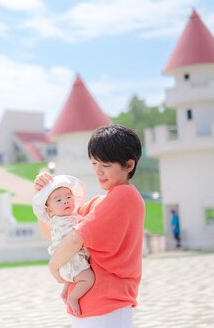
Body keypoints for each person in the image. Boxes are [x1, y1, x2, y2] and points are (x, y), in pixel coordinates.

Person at [34, 124, 145, 328]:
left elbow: (75, 239)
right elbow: (51, 231)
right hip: (91, 304)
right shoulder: (99, 203)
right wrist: (44, 197)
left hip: (107, 303)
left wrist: (53, 266)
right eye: (94, 163)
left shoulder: (124, 195)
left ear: (129, 165)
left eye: (105, 165)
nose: (98, 172)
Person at [32, 175, 96, 316]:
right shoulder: (62, 222)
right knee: (87, 278)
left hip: (67, 262)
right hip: (71, 261)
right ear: (49, 210)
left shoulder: (65, 217)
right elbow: (76, 237)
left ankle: (65, 291)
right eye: (59, 200)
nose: (65, 201)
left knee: (73, 276)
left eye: (68, 197)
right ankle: (73, 297)